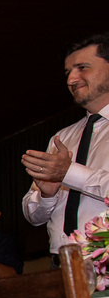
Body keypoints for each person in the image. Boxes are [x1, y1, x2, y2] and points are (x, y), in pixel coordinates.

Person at [23, 33, 109, 263]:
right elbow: (34, 217)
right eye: (68, 72)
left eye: (82, 67)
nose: (72, 79)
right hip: (60, 264)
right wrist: (47, 195)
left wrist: (68, 173)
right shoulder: (62, 138)